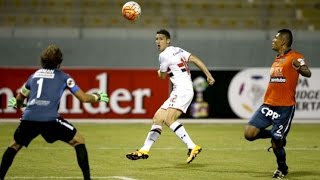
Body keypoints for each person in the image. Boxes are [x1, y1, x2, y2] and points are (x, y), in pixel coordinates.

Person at [0, 45, 109, 180]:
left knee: (14, 145)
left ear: (43, 60)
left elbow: (18, 100)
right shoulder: (64, 77)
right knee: (79, 140)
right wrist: (97, 96)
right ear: (59, 62)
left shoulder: (33, 76)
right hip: (50, 120)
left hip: (28, 118)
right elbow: (84, 98)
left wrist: (19, 105)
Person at [126, 29, 215, 164]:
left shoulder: (163, 56)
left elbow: (162, 77)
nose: (158, 42)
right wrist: (208, 75)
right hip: (181, 90)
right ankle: (144, 149)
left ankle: (192, 146)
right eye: (156, 39)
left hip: (182, 90)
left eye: (161, 39)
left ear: (168, 40)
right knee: (158, 118)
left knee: (169, 119)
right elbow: (195, 59)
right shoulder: (178, 50)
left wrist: (159, 72)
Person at [244, 29, 312, 179]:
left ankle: (282, 168)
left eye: (275, 38)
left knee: (276, 144)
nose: (273, 40)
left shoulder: (296, 57)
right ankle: (277, 135)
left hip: (284, 107)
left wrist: (300, 67)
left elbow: (307, 72)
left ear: (283, 41)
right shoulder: (277, 58)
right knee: (249, 134)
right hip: (268, 105)